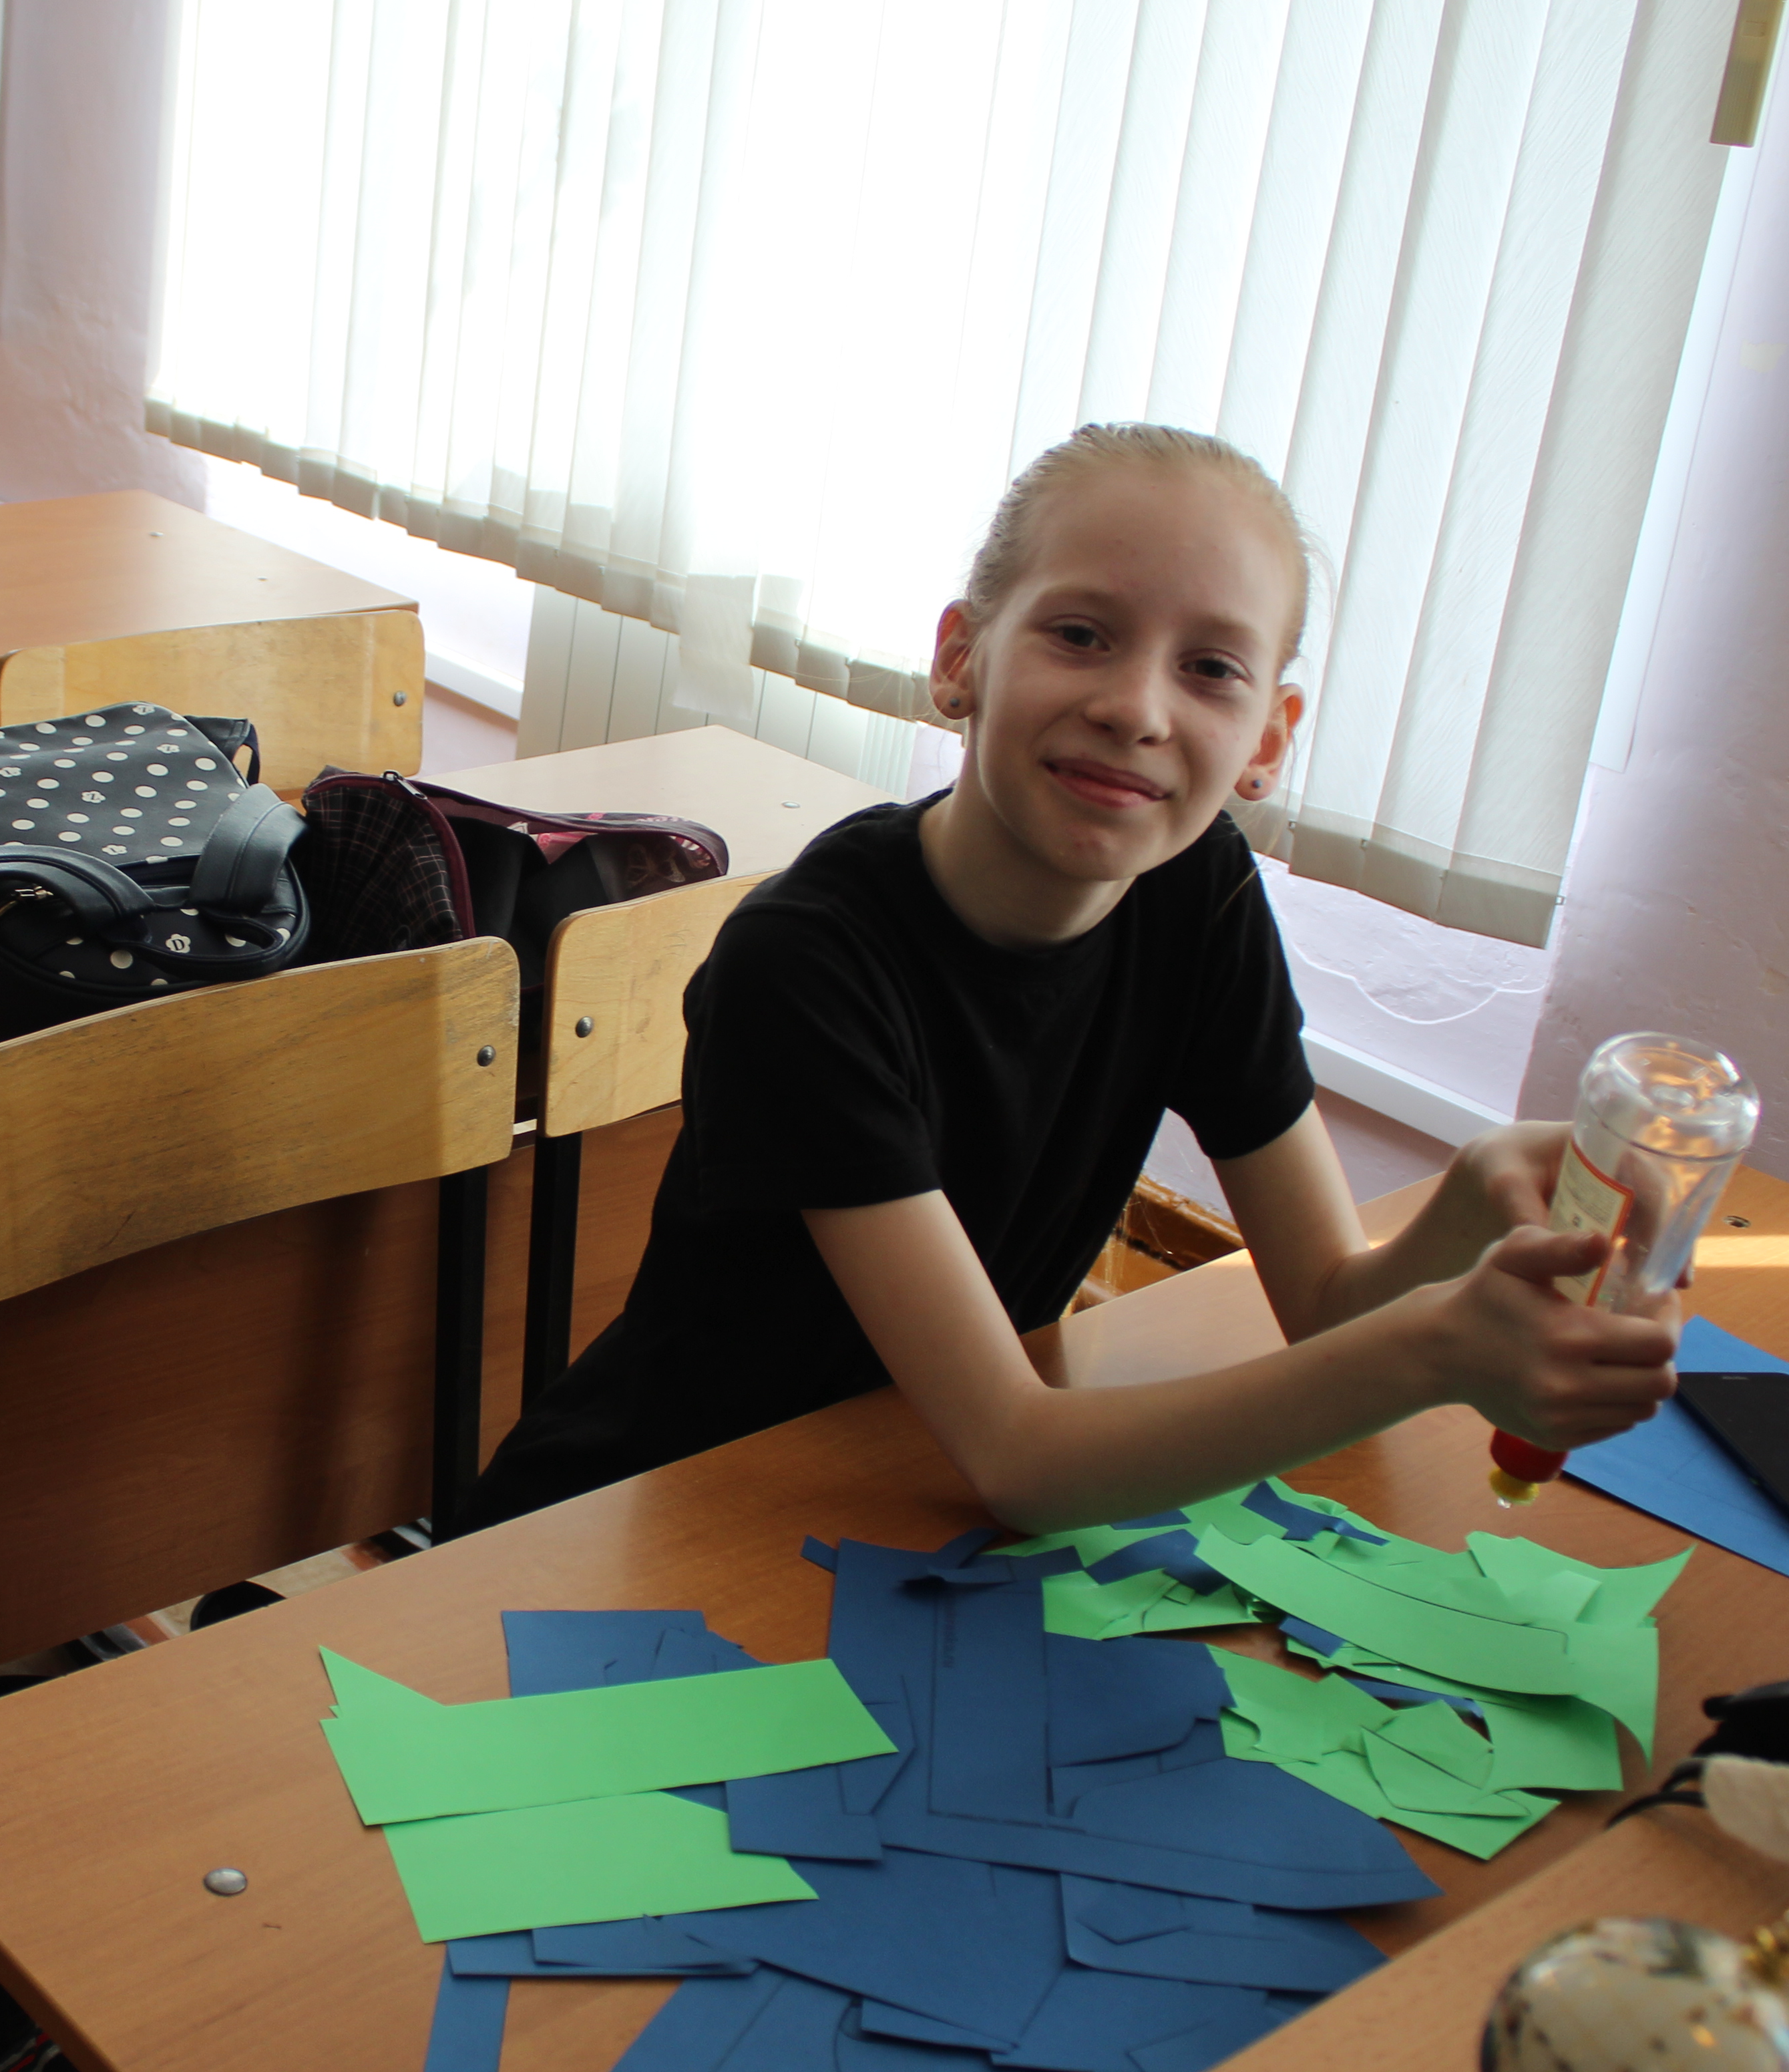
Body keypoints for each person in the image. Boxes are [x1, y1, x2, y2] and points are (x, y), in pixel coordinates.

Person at [469, 421, 1683, 1533]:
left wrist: (1469, 1203)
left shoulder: (1198, 892)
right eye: (1082, 635)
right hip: (664, 1520)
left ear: (1266, 741)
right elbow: (1021, 1456)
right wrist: (1431, 1354)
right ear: (962, 658)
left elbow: (1326, 1307)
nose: (1136, 708)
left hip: (907, 1515)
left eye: (1210, 668)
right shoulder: (806, 963)